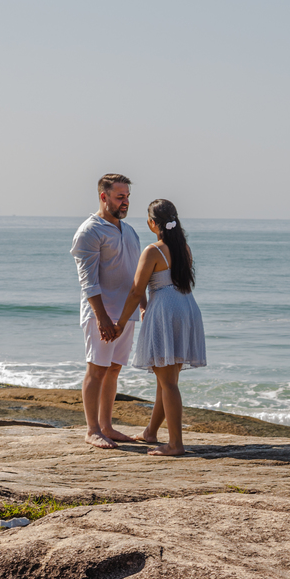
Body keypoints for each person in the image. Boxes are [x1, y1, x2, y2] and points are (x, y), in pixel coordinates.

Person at [112, 199, 205, 456]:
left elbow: (135, 291)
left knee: (168, 383)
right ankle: (151, 432)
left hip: (165, 310)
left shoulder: (153, 251)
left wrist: (120, 323)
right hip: (187, 308)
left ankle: (176, 444)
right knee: (166, 380)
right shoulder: (184, 248)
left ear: (152, 223)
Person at [70, 174, 142, 449]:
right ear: (104, 197)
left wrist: (144, 305)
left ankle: (107, 426)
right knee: (97, 369)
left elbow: (135, 276)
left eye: (127, 197)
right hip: (101, 313)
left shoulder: (130, 232)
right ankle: (92, 430)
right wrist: (101, 318)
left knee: (113, 370)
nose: (125, 203)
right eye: (119, 197)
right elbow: (88, 281)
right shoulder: (90, 231)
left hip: (126, 315)